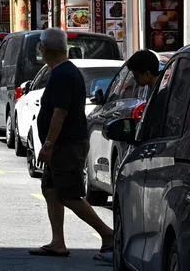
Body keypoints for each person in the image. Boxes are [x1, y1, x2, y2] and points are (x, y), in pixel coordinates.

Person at [30, 28, 114, 261]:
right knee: (50, 190)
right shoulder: (59, 72)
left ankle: (108, 235)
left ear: (45, 49)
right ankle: (58, 242)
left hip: (67, 144)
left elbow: (60, 112)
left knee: (68, 194)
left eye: (40, 45)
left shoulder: (64, 74)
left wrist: (48, 144)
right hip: (62, 144)